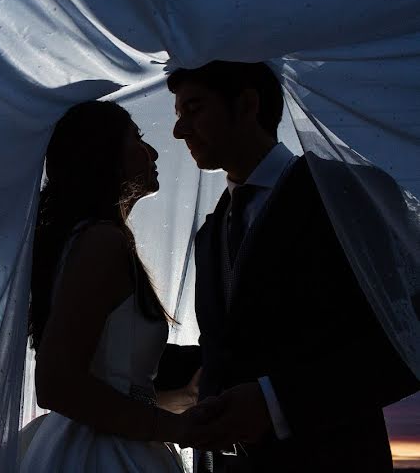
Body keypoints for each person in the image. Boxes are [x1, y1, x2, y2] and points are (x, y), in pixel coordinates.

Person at [166, 61, 419, 472]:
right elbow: (228, 350)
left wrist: (275, 403)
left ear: (247, 105)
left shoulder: (348, 194)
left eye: (194, 109)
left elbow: (409, 339)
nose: (179, 131)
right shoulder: (210, 233)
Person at [19, 100, 202, 472]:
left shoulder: (93, 239)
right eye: (137, 137)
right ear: (102, 153)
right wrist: (179, 430)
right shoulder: (101, 242)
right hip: (102, 457)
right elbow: (57, 384)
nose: (152, 151)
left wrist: (185, 397)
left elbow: (109, 383)